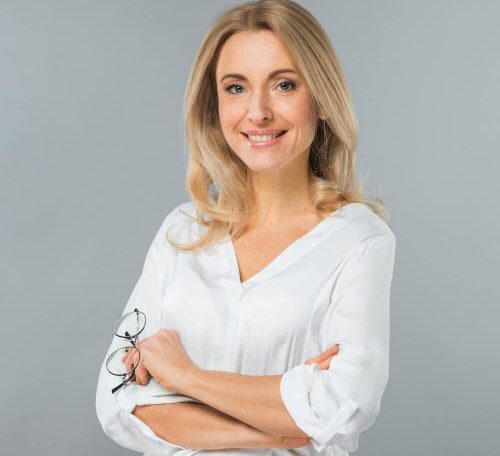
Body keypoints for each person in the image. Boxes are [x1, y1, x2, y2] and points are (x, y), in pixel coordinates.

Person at [95, 0, 396, 455]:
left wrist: (185, 378)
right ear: (215, 105)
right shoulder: (182, 232)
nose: (258, 112)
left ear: (321, 97)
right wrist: (273, 428)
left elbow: (342, 406)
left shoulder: (359, 240)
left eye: (284, 85)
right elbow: (116, 400)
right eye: (236, 88)